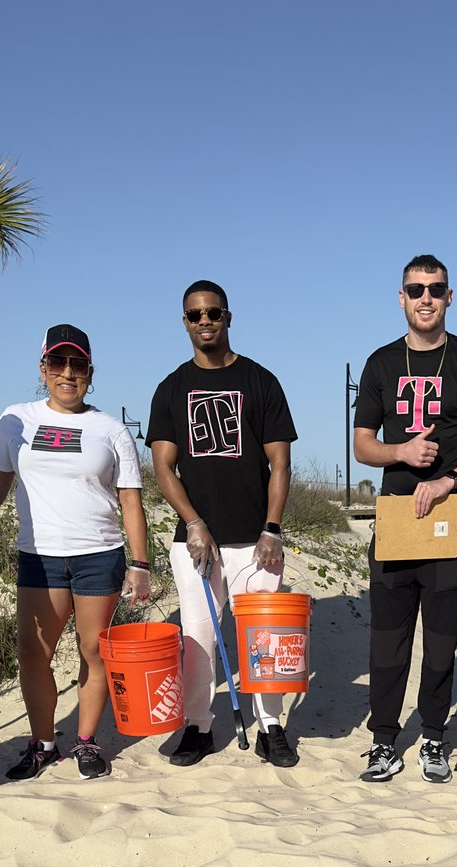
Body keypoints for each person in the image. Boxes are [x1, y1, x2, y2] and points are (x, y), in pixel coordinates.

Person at [353, 254, 457, 783]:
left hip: (450, 514)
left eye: (435, 290)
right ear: (401, 297)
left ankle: (435, 737)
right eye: (415, 289)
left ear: (449, 297)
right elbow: (362, 445)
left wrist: (447, 479)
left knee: (441, 637)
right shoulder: (379, 363)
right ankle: (383, 741)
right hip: (396, 516)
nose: (425, 298)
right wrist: (399, 454)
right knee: (388, 637)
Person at [0, 325, 151, 781]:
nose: (67, 373)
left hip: (99, 554)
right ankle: (43, 743)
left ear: (90, 372)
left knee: (94, 651)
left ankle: (87, 742)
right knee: (34, 653)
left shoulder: (110, 430)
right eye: (58, 363)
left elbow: (130, 499)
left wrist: (140, 563)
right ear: (43, 369)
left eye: (77, 365)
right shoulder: (16, 419)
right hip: (39, 556)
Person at [146, 280, 300, 768]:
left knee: (264, 638)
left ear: (228, 317)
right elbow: (163, 468)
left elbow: (280, 463)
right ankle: (198, 726)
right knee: (198, 639)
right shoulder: (171, 388)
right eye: (195, 315)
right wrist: (193, 523)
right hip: (196, 544)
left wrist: (272, 528)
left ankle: (270, 726)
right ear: (185, 322)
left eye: (213, 313)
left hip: (256, 542)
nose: (205, 321)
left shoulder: (261, 381)